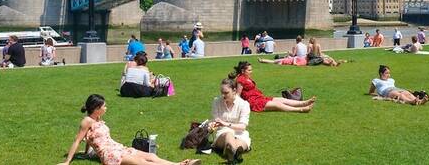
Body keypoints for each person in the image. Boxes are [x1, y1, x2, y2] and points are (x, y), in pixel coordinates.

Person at [58, 94, 201, 165]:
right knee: (142, 163)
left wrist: (86, 151)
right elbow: (78, 140)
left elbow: (90, 138)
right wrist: (67, 162)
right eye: (104, 106)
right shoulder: (87, 121)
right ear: (96, 109)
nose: (106, 108)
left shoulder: (97, 119)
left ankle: (180, 164)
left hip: (118, 147)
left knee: (151, 156)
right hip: (110, 154)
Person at [230, 61, 315, 113]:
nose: (251, 72)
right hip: (254, 102)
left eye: (251, 69)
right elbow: (238, 94)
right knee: (277, 104)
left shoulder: (246, 78)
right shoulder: (240, 80)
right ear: (242, 71)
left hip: (259, 98)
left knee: (282, 99)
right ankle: (301, 109)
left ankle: (303, 103)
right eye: (249, 70)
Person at [211, 78, 251, 163]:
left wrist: (225, 124)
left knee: (241, 142)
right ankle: (236, 153)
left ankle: (232, 153)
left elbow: (242, 127)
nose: (223, 95)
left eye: (226, 93)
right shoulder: (216, 101)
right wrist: (211, 126)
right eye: (222, 92)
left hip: (239, 133)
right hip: (223, 133)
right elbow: (215, 121)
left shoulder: (244, 104)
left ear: (234, 90)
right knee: (229, 134)